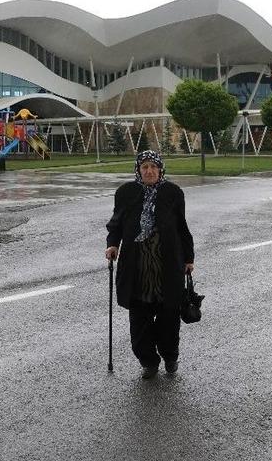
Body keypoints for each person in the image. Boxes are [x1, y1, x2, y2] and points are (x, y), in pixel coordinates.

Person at [105, 150, 194, 379]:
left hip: (167, 267)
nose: (149, 171)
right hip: (137, 268)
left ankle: (170, 356)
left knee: (168, 319)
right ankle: (148, 362)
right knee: (139, 321)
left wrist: (188, 258)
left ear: (160, 169)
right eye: (144, 167)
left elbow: (181, 227)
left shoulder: (172, 193)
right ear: (138, 170)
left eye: (153, 167)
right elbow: (116, 224)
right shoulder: (126, 193)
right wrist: (113, 244)